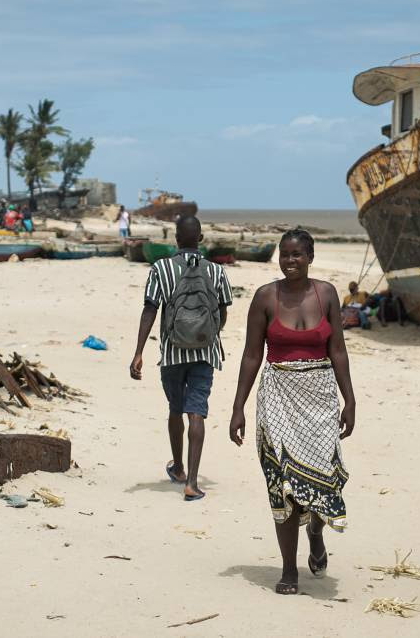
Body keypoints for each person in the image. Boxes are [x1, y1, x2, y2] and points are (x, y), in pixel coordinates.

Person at [229, 229, 356, 596]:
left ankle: (315, 529)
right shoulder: (264, 297)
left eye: (297, 254)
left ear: (311, 256)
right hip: (277, 395)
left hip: (320, 397)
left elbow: (339, 350)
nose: (290, 260)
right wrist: (238, 407)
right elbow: (252, 354)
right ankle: (289, 569)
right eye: (284, 254)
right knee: (281, 483)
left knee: (321, 479)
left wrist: (350, 399)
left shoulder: (327, 293)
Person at [130, 216, 233, 502]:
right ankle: (192, 483)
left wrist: (139, 352)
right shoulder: (216, 272)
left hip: (172, 354)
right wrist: (210, 335)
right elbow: (223, 311)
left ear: (176, 239)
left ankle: (178, 468)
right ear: (200, 239)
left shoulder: (160, 269)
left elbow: (150, 310)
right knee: (196, 411)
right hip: (205, 354)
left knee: (176, 409)